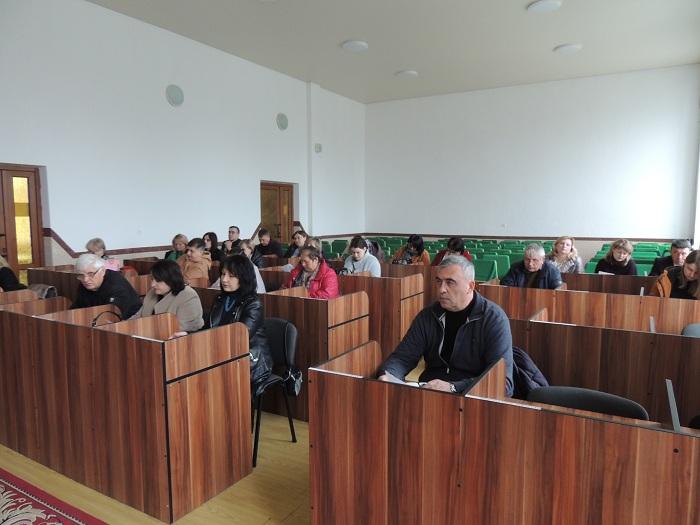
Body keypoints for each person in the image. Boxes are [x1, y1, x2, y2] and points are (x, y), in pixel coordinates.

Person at [378, 255, 513, 395]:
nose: (441, 289)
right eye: (439, 281)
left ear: (470, 286)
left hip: (471, 398)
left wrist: (453, 387)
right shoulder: (429, 315)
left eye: (450, 282)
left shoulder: (494, 319)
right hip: (430, 392)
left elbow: (502, 383)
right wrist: (388, 375)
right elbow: (402, 358)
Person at [207, 255, 273, 395]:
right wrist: (188, 335)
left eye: (231, 276)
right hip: (223, 353)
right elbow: (209, 328)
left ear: (243, 278)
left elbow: (240, 338)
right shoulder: (220, 299)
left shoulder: (253, 303)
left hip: (250, 360)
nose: (224, 279)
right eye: (223, 274)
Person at [131, 259, 204, 334]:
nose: (152, 284)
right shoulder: (152, 292)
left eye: (158, 280)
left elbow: (186, 328)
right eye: (152, 279)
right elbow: (138, 317)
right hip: (147, 335)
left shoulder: (188, 296)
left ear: (172, 280)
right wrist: (124, 326)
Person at [71, 253, 141, 318]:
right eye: (81, 275)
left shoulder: (115, 286)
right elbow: (77, 308)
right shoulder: (85, 284)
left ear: (103, 271)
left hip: (131, 320)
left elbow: (111, 316)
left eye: (91, 274)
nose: (85, 279)